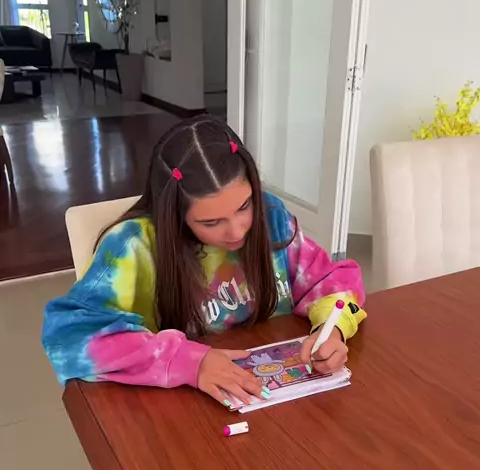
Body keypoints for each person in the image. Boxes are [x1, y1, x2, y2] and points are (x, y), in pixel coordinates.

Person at [42, 116, 366, 407]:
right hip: (182, 408)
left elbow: (331, 280)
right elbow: (69, 338)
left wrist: (333, 328)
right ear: (174, 215)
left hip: (278, 400)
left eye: (244, 206)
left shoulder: (271, 216)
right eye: (211, 222)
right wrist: (187, 361)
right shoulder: (133, 246)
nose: (237, 230)